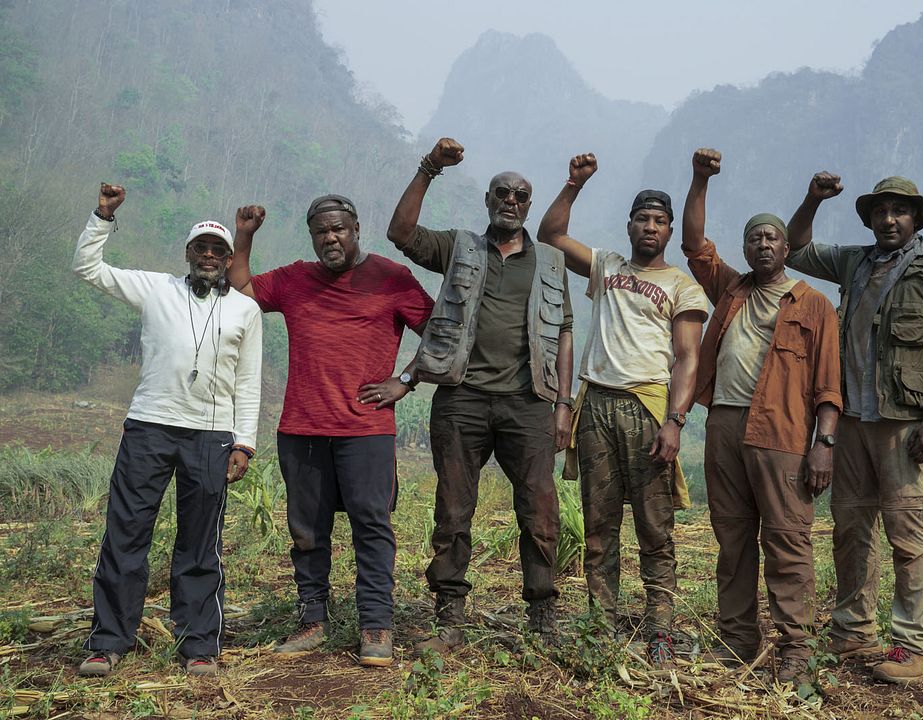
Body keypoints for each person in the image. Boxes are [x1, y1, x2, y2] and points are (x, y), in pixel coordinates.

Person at [786, 172, 923, 685]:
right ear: (869, 218)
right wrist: (813, 198)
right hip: (851, 421)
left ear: (916, 217)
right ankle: (854, 630)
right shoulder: (855, 261)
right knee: (851, 530)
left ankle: (916, 645)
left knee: (909, 533)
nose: (888, 220)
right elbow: (796, 249)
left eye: (898, 211)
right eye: (879, 211)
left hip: (904, 424)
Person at [227, 195, 433, 667]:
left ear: (357, 228)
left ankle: (376, 626)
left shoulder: (391, 278)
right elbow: (241, 289)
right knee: (307, 531)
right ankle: (312, 621)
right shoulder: (296, 278)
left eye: (338, 229)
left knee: (371, 526)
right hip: (302, 428)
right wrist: (245, 235)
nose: (330, 238)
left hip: (366, 429)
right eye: (321, 232)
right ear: (312, 236)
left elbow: (442, 329)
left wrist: (405, 380)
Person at [385, 137, 574, 654]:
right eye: (501, 194)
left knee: (539, 509)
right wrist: (429, 169)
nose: (510, 201)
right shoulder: (460, 247)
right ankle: (449, 615)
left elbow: (564, 335)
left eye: (520, 195)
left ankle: (542, 613)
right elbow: (400, 233)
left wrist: (563, 404)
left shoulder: (552, 263)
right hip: (462, 398)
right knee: (453, 507)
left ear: (529, 206)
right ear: (488, 202)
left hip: (529, 402)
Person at [74, 183, 263, 677]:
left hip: (212, 435)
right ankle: (109, 641)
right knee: (126, 534)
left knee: (200, 542)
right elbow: (88, 269)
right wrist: (103, 215)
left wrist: (245, 442)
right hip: (149, 428)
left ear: (226, 260)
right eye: (200, 247)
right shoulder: (157, 288)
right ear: (187, 253)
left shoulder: (246, 310)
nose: (208, 255)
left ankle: (198, 646)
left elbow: (249, 382)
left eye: (218, 250)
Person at [537, 152, 707, 667]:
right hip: (597, 407)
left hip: (648, 407)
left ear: (670, 229)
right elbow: (550, 235)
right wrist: (574, 183)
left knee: (655, 527)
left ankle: (661, 629)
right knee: (599, 525)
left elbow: (687, 358)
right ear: (629, 225)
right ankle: (601, 625)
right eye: (642, 219)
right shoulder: (607, 265)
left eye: (659, 221)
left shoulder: (682, 285)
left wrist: (675, 421)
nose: (650, 227)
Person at [681, 149, 842, 684]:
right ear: (746, 247)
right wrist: (700, 180)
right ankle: (737, 641)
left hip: (784, 432)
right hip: (724, 425)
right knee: (732, 537)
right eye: (755, 238)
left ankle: (796, 649)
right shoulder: (731, 288)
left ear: (787, 246)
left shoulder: (813, 303)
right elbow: (694, 245)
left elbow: (828, 384)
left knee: (787, 539)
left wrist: (824, 444)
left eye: (772, 237)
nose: (764, 244)